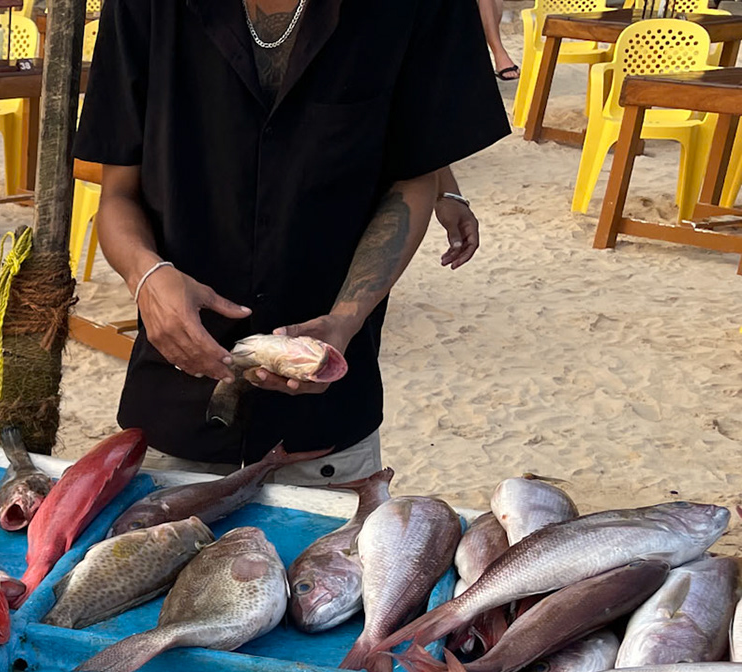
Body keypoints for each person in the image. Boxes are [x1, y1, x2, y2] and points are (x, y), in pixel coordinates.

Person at [81, 0, 509, 482]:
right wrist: (147, 276)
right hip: (173, 406)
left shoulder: (418, 10)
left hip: (327, 422)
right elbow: (117, 193)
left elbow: (411, 181)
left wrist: (344, 321)